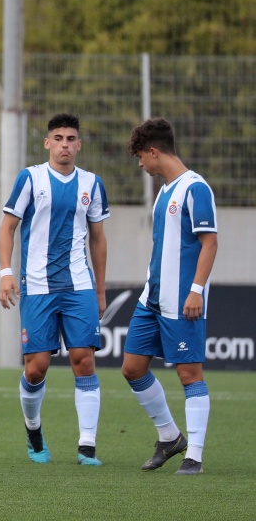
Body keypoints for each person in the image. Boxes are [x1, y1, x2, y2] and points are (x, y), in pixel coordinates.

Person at [0, 112, 109, 466]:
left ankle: (87, 446)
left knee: (84, 360)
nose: (65, 145)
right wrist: (5, 272)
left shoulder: (92, 183)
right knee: (36, 368)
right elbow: (7, 227)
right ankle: (34, 431)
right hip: (38, 286)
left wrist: (101, 289)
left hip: (79, 286)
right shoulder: (30, 178)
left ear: (79, 144)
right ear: (48, 143)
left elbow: (98, 238)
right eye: (58, 138)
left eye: (71, 139)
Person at [121, 117, 217, 476]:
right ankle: (169, 437)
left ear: (154, 151)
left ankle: (194, 454)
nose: (141, 164)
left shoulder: (196, 189)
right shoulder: (164, 191)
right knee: (132, 368)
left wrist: (195, 291)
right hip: (153, 298)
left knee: (189, 373)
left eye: (140, 158)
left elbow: (210, 243)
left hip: (182, 300)